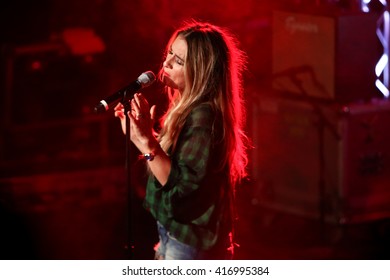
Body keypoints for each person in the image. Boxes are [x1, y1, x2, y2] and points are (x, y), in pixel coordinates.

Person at [114, 19, 249, 260]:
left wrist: (147, 141)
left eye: (178, 61)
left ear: (201, 71)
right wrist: (139, 136)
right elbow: (168, 168)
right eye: (169, 53)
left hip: (190, 245)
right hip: (174, 235)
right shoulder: (188, 109)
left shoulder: (204, 118)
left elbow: (179, 186)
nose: (165, 63)